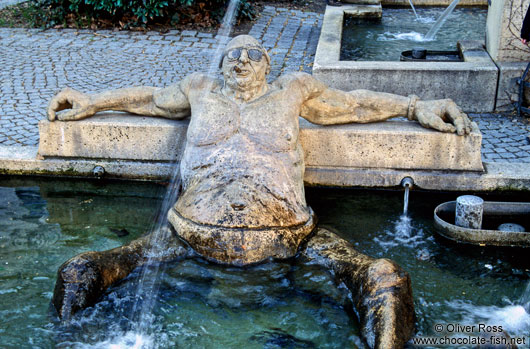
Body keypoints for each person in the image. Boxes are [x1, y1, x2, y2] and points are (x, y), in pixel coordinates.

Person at [48, 35, 471, 346]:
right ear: (222, 63)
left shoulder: (292, 91)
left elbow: (354, 104)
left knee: (386, 279)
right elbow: (152, 100)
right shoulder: (201, 90)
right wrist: (95, 101)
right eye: (234, 53)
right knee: (78, 272)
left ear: (268, 64)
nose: (242, 60)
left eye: (254, 54)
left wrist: (417, 106)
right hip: (185, 236)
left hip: (293, 238)